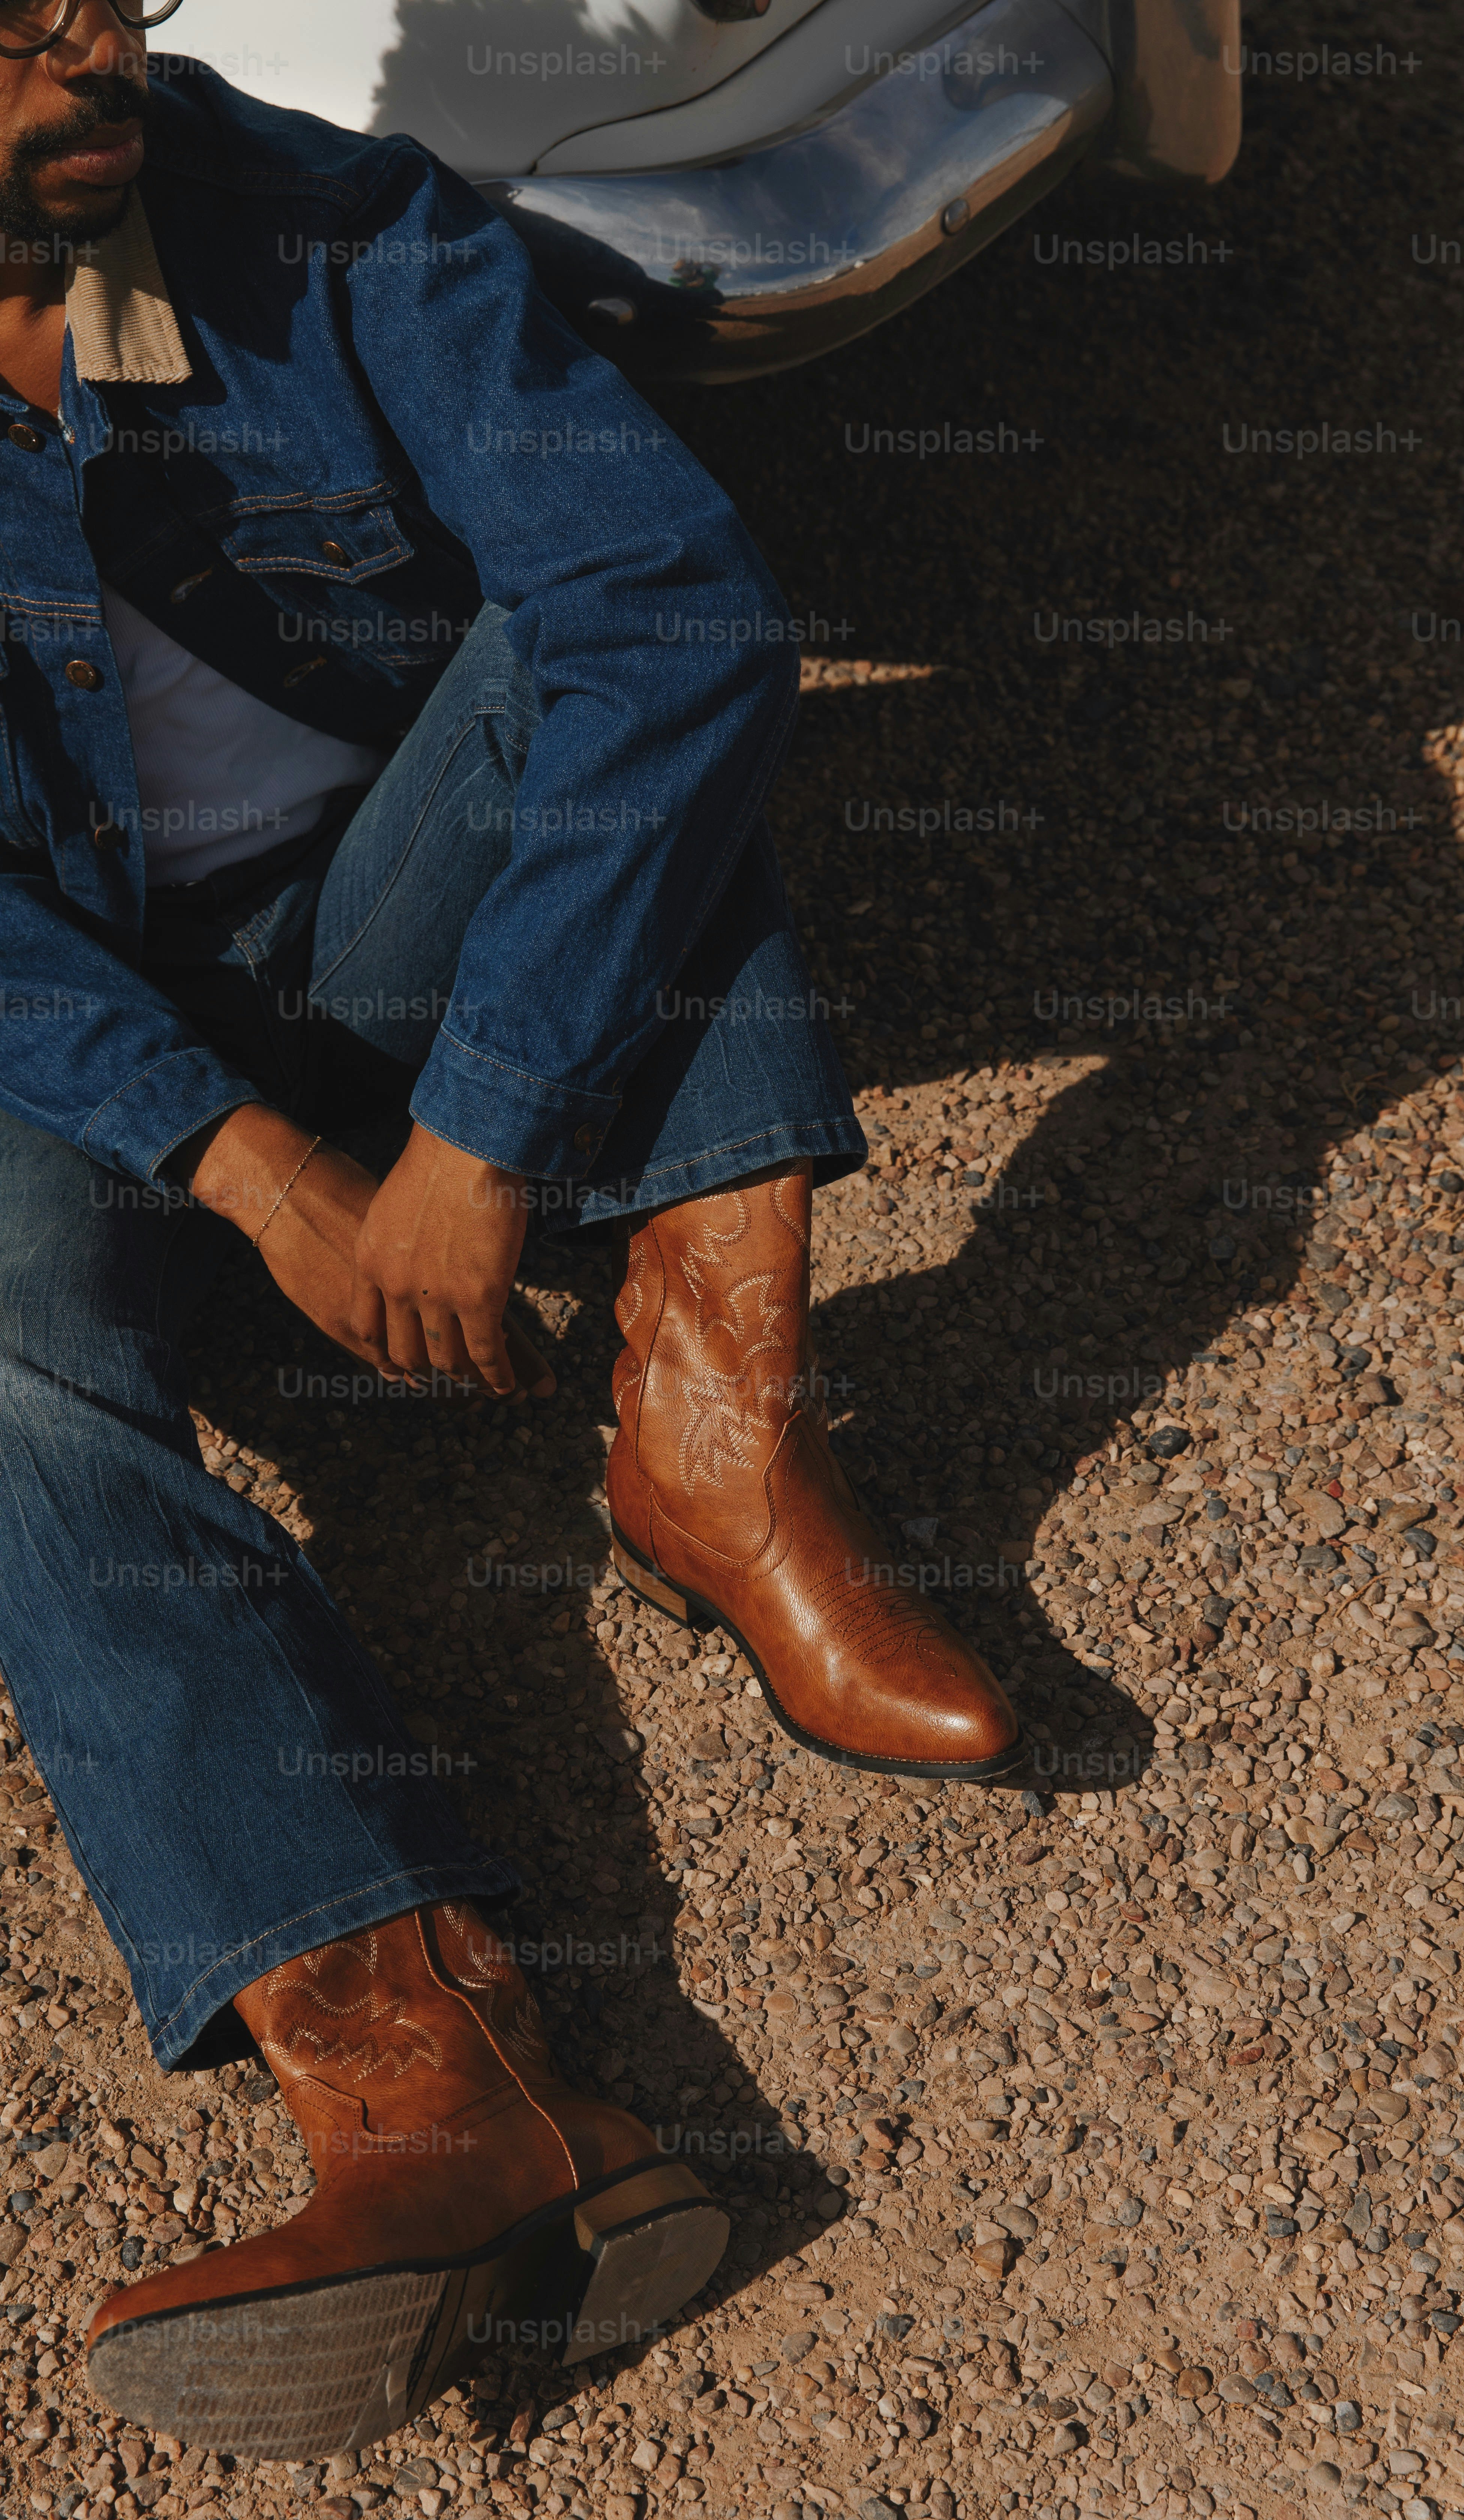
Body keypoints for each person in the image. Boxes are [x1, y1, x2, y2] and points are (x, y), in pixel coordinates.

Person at [0, 0, 1023, 2460]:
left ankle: (713, 1425)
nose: (93, 23)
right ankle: (422, 2073)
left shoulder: (315, 215)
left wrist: (470, 1140)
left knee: (634, 676)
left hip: (383, 934)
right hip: (87, 1043)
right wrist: (254, 1168)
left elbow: (675, 605)